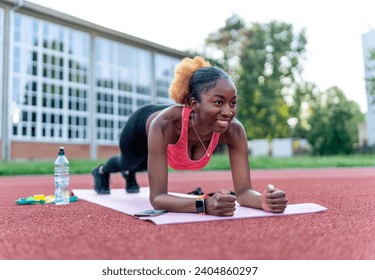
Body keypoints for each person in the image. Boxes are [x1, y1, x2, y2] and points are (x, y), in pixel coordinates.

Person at [92, 56, 288, 216]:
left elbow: (244, 192)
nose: (228, 112)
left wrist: (263, 201)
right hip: (139, 128)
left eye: (233, 103)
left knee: (144, 165)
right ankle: (102, 171)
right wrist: (204, 205)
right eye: (219, 102)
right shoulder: (165, 125)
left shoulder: (234, 130)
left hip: (167, 133)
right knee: (129, 162)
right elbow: (158, 198)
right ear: (194, 104)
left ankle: (132, 172)